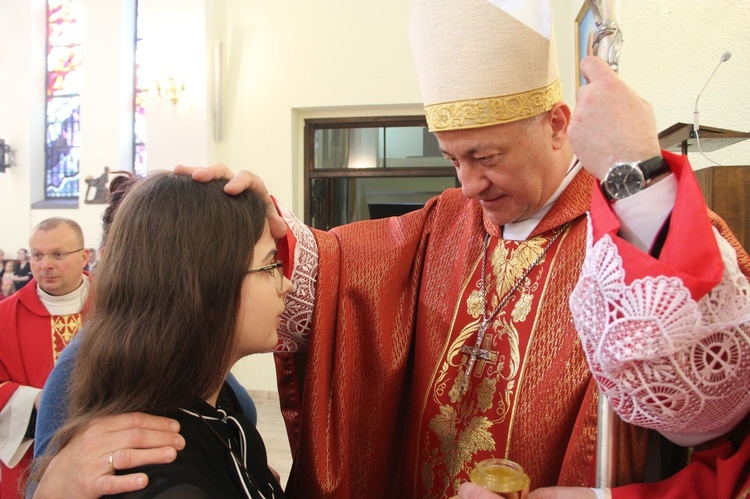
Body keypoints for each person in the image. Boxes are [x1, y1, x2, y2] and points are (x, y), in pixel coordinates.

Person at [32, 1, 750, 498]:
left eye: (485, 154)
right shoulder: (446, 223)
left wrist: (636, 177)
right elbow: (348, 272)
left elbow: (710, 397)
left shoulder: (627, 231)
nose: (468, 184)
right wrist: (269, 233)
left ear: (558, 123)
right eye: (451, 159)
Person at [33, 172, 290, 498]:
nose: (287, 285)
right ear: (209, 287)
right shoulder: (162, 471)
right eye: (272, 266)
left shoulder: (206, 394)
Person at [0, 217, 90, 498]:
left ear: (84, 256)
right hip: (32, 457)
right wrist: (35, 400)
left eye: (58, 254)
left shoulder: (118, 306)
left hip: (104, 447)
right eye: (37, 255)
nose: (45, 264)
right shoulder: (4, 317)